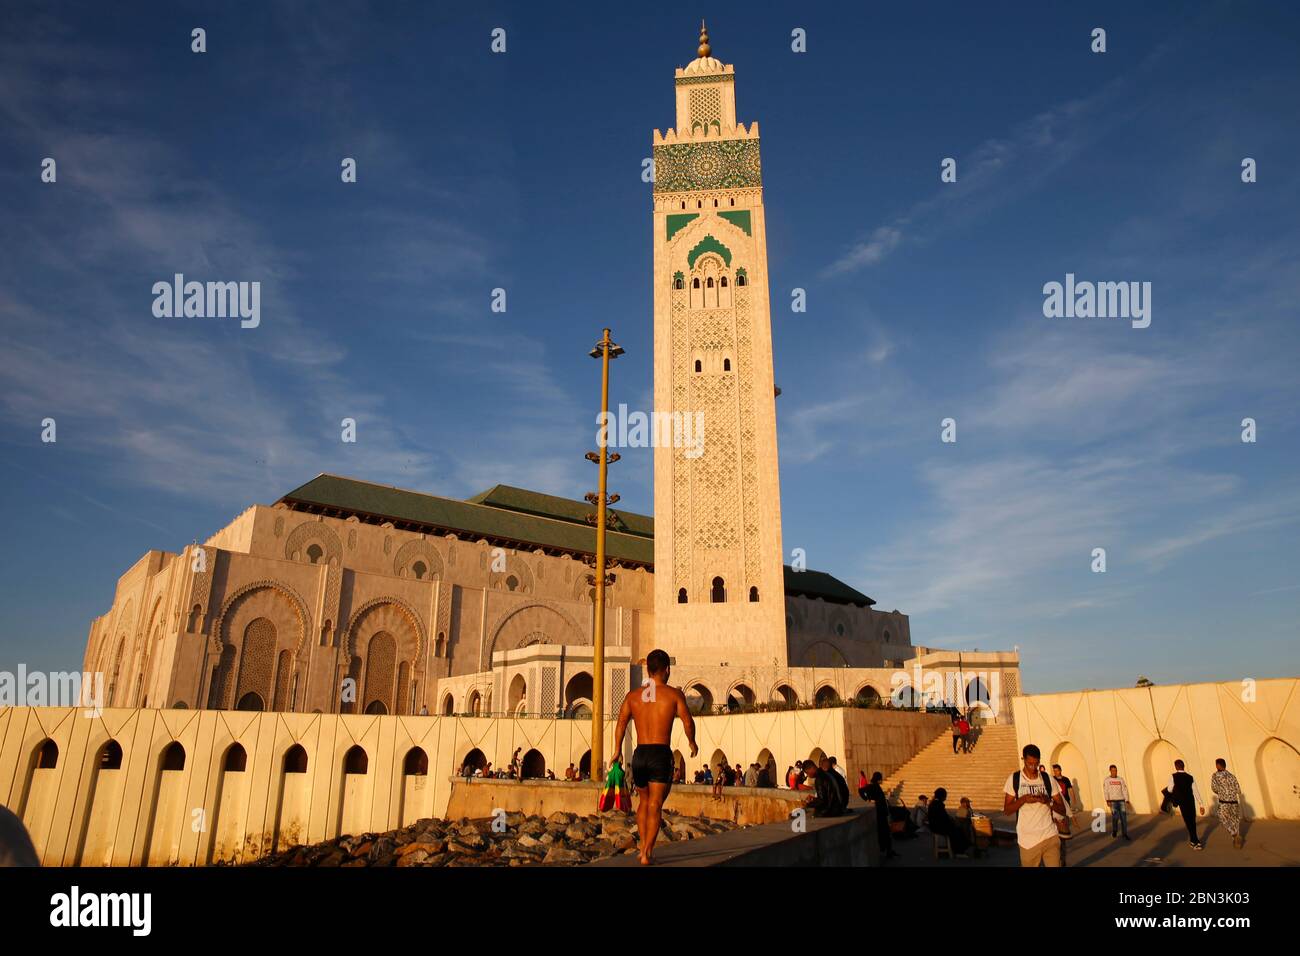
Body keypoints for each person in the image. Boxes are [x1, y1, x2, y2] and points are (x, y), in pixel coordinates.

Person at [611, 648, 698, 865]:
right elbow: (687, 721)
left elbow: (621, 722)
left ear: (647, 669)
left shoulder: (633, 696)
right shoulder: (673, 694)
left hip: (640, 754)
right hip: (660, 753)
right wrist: (691, 741)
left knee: (644, 802)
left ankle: (642, 849)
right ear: (667, 670)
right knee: (656, 804)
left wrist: (617, 750)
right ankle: (646, 853)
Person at [1004, 743, 1067, 867]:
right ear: (1023, 760)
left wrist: (1047, 801)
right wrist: (1023, 800)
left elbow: (1062, 810)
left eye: (1036, 764)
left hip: (1050, 837)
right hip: (1028, 841)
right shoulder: (1014, 779)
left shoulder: (1047, 779)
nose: (1033, 767)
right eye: (1030, 764)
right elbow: (1007, 810)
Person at [1167, 759, 1206, 849]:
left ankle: (1195, 841)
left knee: (1188, 821)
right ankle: (1194, 841)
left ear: (1176, 767)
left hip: (1182, 802)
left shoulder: (1173, 776)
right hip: (1190, 800)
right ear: (1183, 766)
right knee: (1192, 820)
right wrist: (1201, 804)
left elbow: (1169, 789)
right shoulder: (1190, 777)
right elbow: (1195, 791)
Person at [1210, 758, 1244, 849]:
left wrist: (1221, 792)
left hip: (1224, 801)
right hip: (1234, 801)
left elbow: (1214, 788)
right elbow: (1238, 790)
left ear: (1218, 765)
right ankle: (1237, 839)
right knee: (1235, 820)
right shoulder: (1232, 776)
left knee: (1221, 816)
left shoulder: (1215, 775)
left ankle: (1234, 834)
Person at [863, 771, 898, 859]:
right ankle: (887, 852)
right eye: (880, 779)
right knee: (885, 833)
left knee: (884, 833)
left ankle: (887, 851)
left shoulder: (874, 786)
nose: (881, 780)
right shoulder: (873, 786)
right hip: (880, 814)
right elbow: (861, 791)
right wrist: (869, 800)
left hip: (881, 813)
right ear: (878, 779)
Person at [927, 788, 970, 857]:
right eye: (945, 795)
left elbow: (943, 817)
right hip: (938, 827)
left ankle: (959, 849)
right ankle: (958, 851)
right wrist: (952, 822)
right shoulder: (938, 804)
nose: (946, 797)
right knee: (957, 830)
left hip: (935, 826)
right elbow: (943, 818)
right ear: (942, 796)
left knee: (957, 829)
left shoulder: (934, 803)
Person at [1101, 765, 1131, 840]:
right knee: (1115, 817)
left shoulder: (1120, 779)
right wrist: (1107, 800)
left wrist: (1127, 799)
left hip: (1121, 800)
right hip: (1113, 801)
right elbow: (1106, 791)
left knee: (1123, 818)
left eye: (1115, 770)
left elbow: (1124, 789)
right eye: (1113, 770)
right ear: (1110, 771)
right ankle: (1115, 830)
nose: (1114, 772)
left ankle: (1125, 833)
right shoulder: (1107, 780)